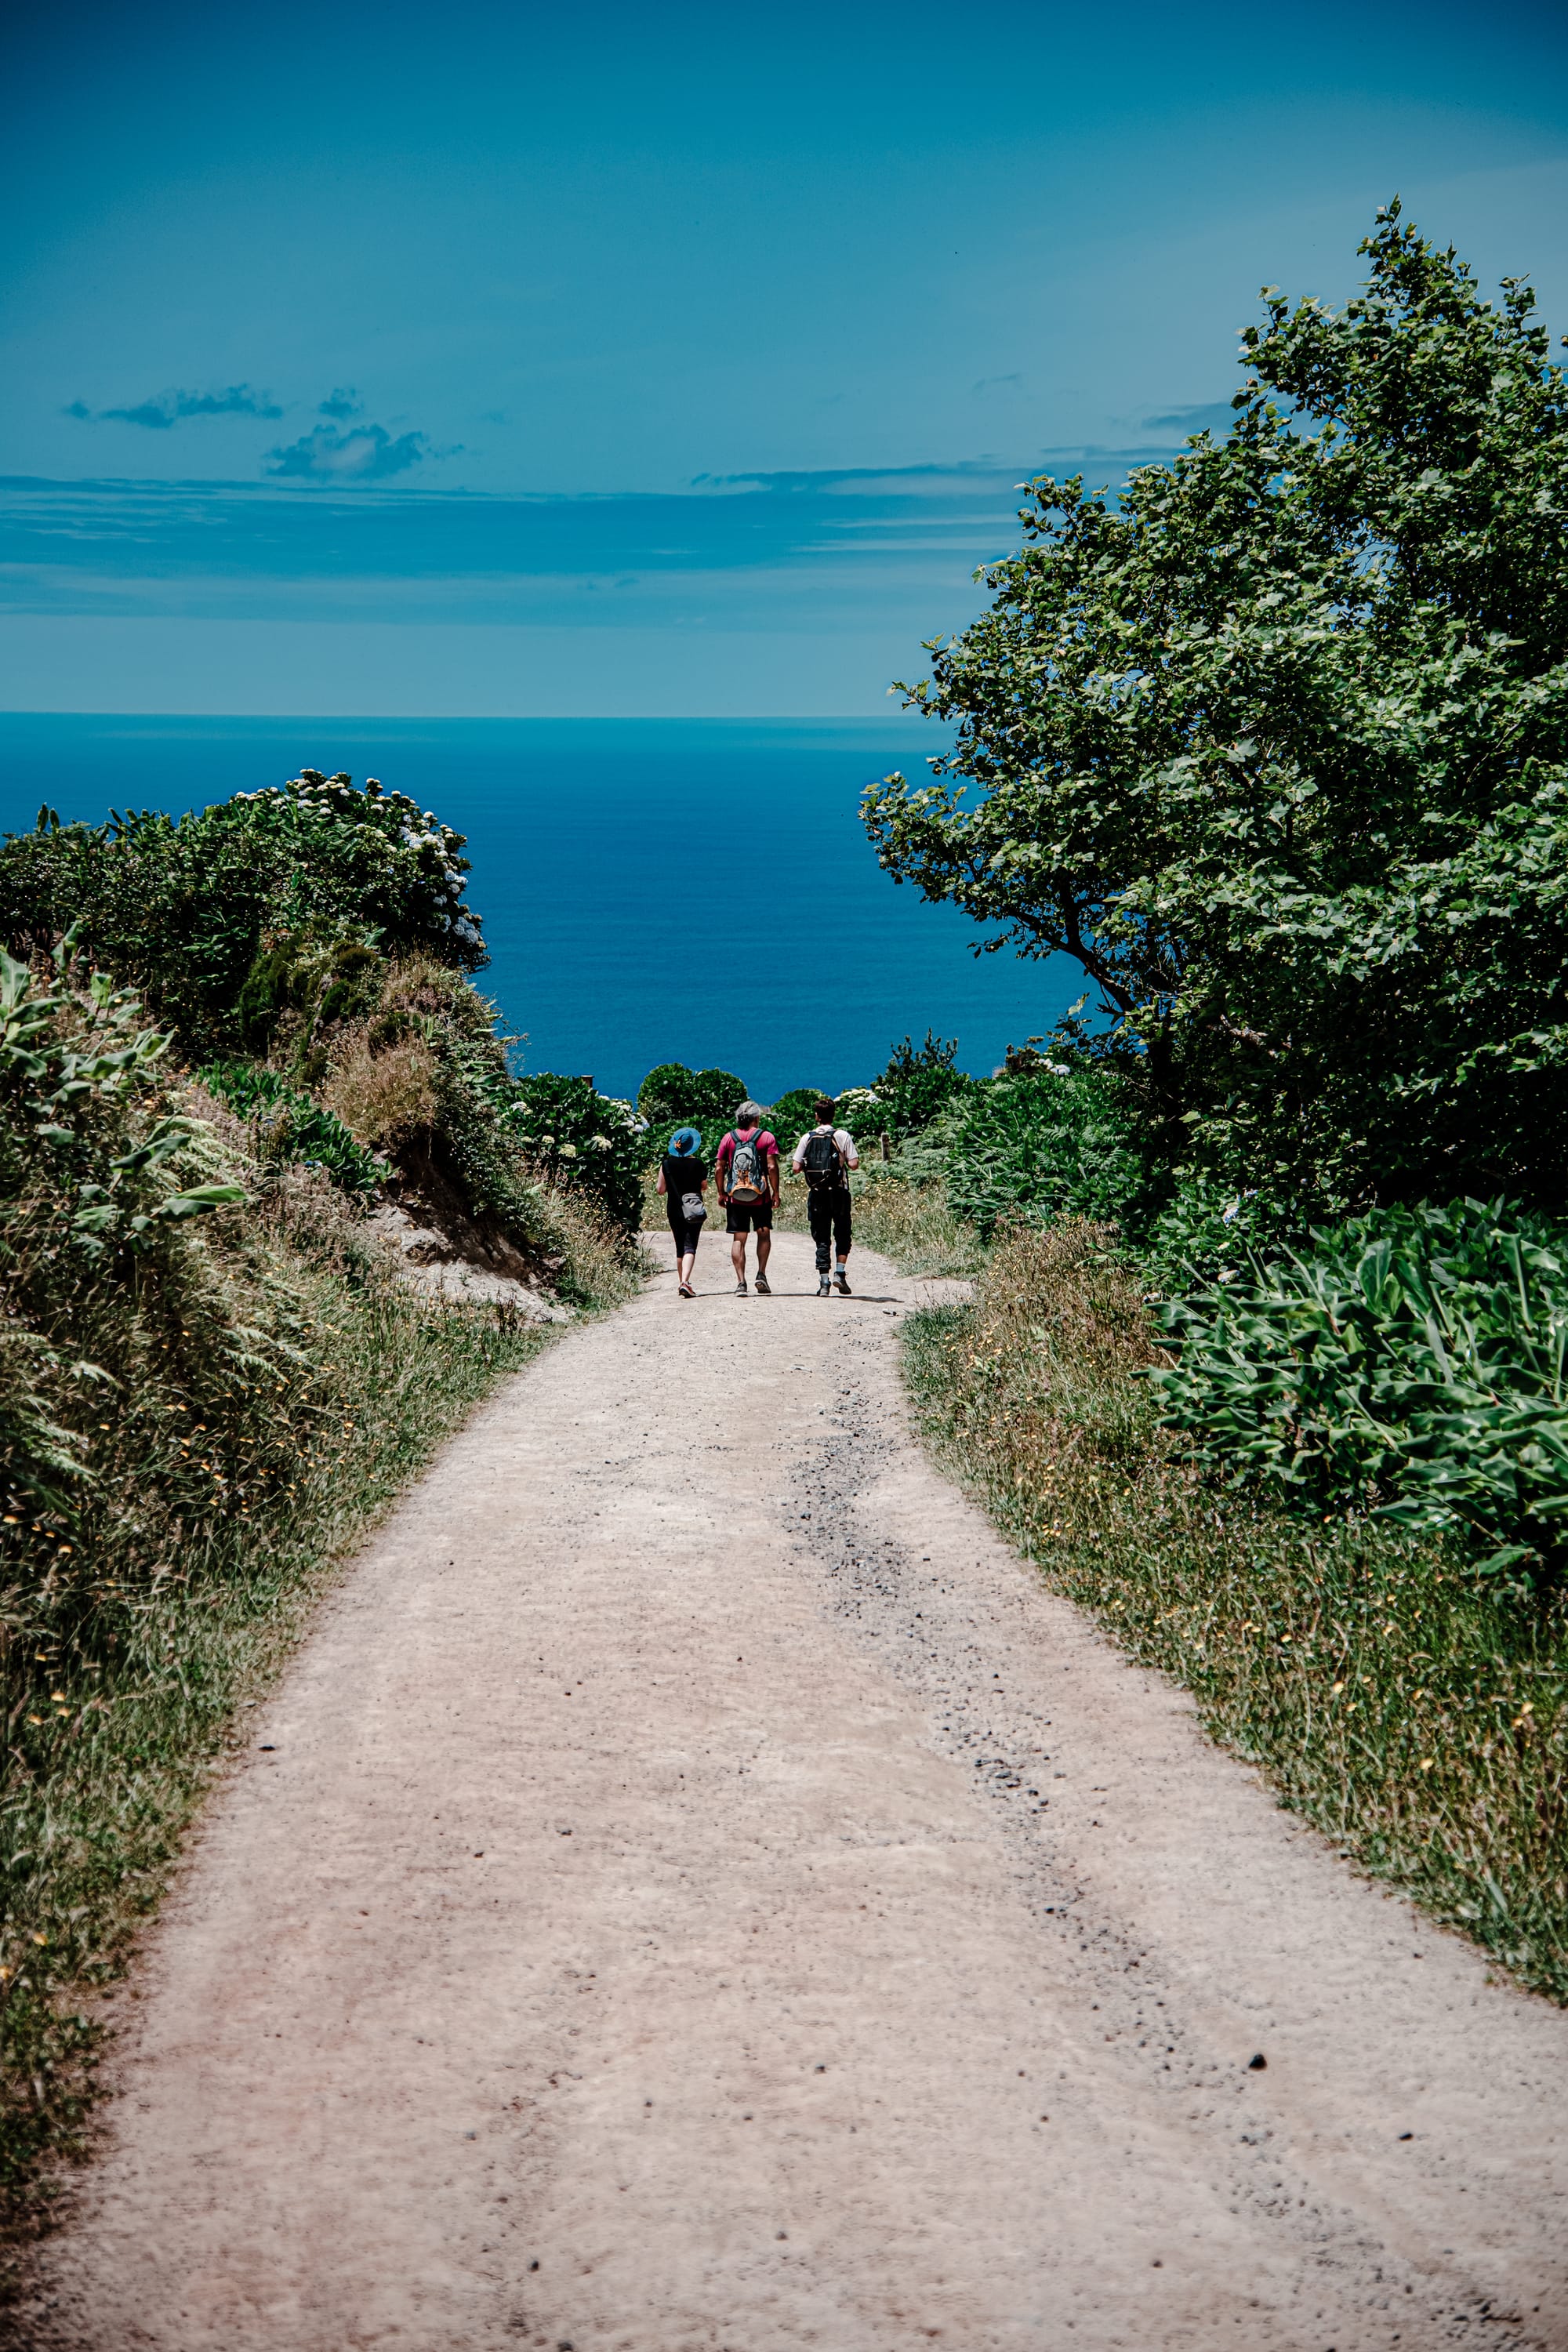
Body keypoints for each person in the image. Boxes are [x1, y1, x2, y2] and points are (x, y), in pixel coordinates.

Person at [793, 1094, 859, 1295]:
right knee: (842, 1233)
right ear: (833, 1115)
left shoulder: (808, 1137)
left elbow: (796, 1167)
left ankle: (824, 1283)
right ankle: (839, 1273)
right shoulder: (842, 1136)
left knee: (822, 1237)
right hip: (839, 1192)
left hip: (817, 1194)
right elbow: (854, 1164)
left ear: (816, 1116)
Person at [715, 1100, 780, 1296]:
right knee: (763, 1233)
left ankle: (741, 1283)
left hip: (736, 1197)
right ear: (756, 1118)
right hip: (761, 1197)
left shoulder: (729, 1138)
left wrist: (721, 1192)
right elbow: (771, 1167)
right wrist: (775, 1192)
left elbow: (719, 1167)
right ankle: (761, 1274)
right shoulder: (766, 1137)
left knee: (739, 1238)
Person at [655, 1125, 707, 1298]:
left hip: (674, 1208)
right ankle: (685, 1282)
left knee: (680, 1247)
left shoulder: (666, 1164)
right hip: (693, 1208)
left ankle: (682, 1282)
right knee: (690, 1246)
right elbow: (704, 1187)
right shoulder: (698, 1164)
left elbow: (660, 1190)